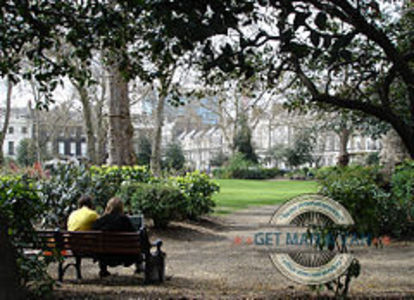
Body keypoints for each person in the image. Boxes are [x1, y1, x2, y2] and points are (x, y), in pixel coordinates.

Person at [92, 197, 136, 277]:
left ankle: (103, 270)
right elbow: (134, 235)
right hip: (125, 255)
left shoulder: (102, 220)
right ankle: (139, 268)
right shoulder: (125, 220)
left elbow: (93, 231)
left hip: (104, 256)